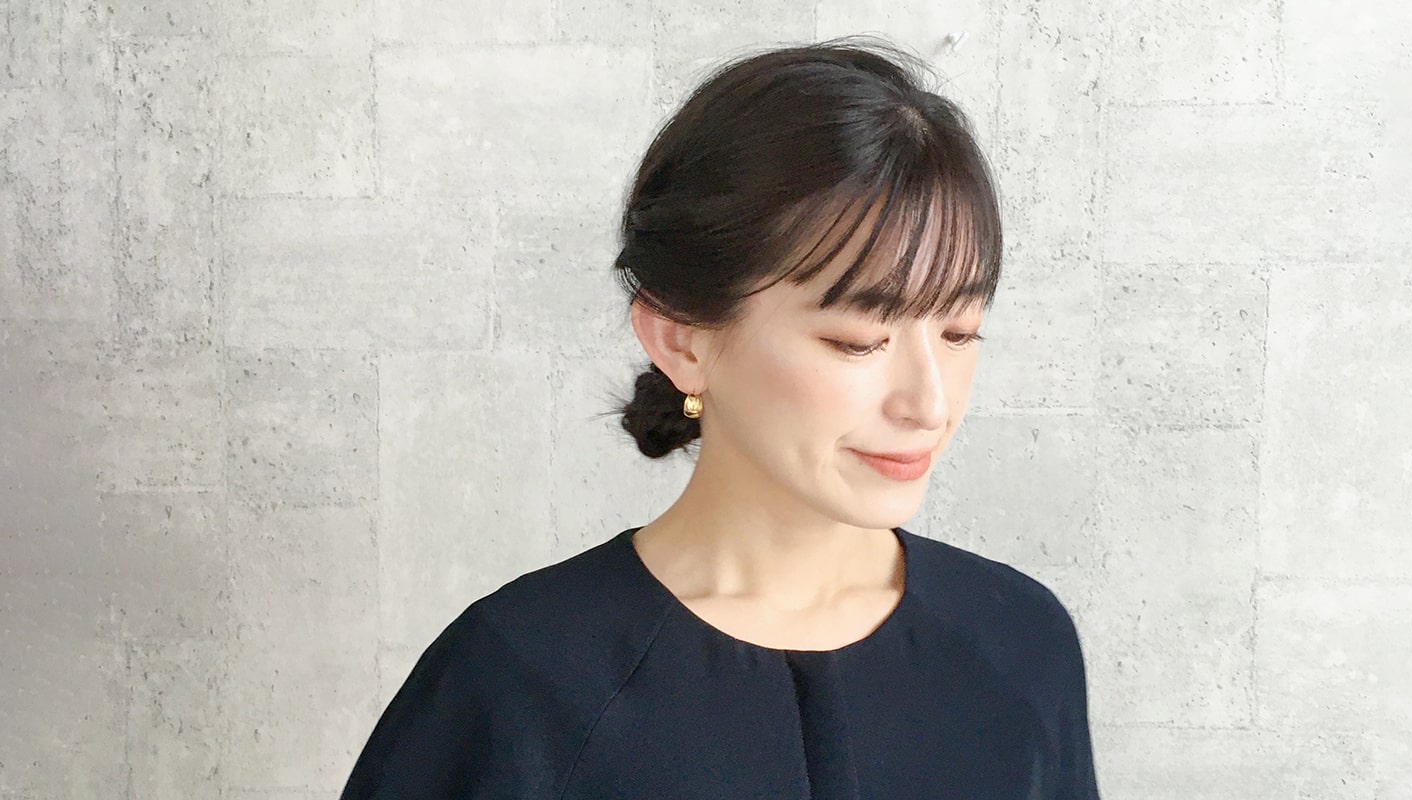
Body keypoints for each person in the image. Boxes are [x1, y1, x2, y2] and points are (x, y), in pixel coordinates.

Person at [339, 36, 1100, 800]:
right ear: (681, 339)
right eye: (858, 341)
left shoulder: (1020, 645)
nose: (929, 404)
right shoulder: (519, 683)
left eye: (960, 332)